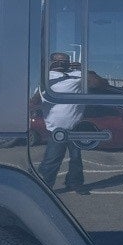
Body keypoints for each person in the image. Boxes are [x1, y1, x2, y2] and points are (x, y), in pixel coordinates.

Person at [37, 52, 87, 191]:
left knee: (76, 158)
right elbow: (36, 99)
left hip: (75, 127)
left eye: (65, 61)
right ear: (51, 62)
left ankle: (75, 182)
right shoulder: (47, 79)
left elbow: (98, 82)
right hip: (56, 129)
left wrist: (82, 68)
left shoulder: (77, 75)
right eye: (58, 61)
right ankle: (45, 188)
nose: (61, 64)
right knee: (52, 160)